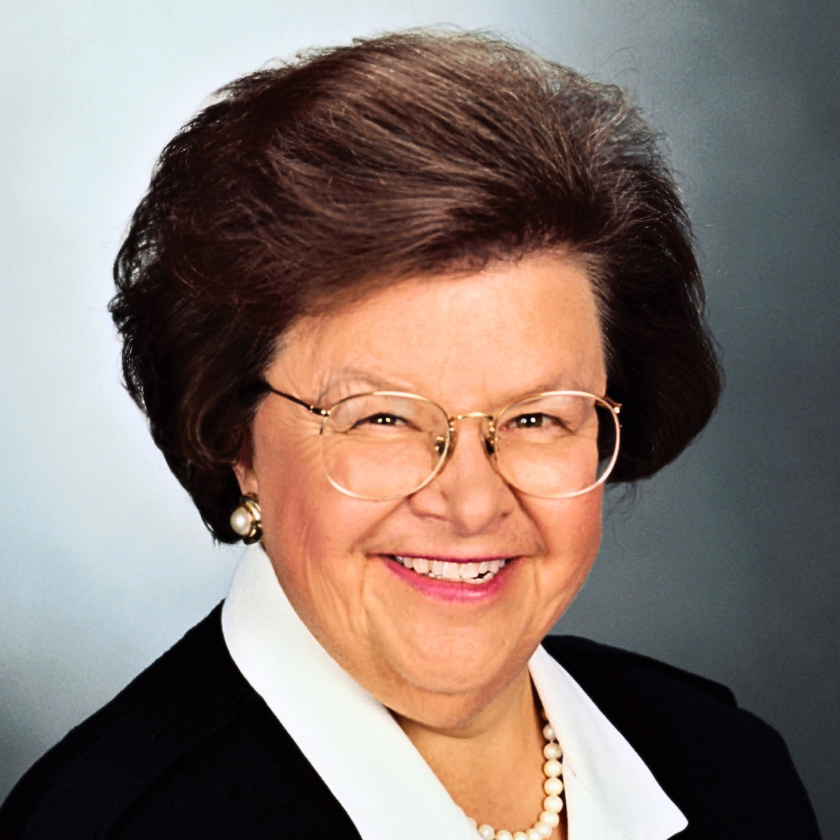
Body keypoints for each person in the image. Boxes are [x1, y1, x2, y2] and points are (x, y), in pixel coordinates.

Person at [0, 30, 820, 840]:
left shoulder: (729, 771)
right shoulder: (112, 822)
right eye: (384, 418)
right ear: (234, 441)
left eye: (536, 417)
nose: (470, 504)